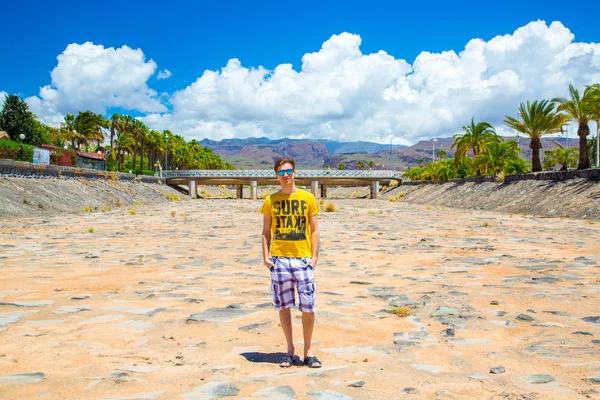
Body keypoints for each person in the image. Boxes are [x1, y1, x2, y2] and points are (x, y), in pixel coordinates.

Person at [261, 157, 322, 368]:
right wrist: (266, 257)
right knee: (284, 306)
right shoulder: (271, 200)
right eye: (281, 172)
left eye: (288, 171)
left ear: (294, 172)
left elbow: (314, 230)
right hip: (279, 260)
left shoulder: (308, 198)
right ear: (276, 175)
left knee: (308, 306)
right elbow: (265, 232)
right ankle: (289, 350)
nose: (285, 175)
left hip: (303, 260)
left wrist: (314, 258)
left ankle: (308, 351)